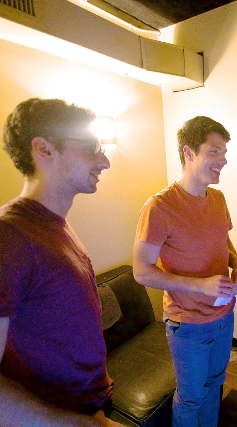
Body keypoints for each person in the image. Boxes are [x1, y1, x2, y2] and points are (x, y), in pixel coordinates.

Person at [0, 98, 123, 426]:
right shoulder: (8, 235)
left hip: (92, 404)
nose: (105, 161)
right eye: (90, 148)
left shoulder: (56, 224)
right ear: (43, 148)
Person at [133, 116, 237, 427]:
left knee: (215, 384)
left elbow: (223, 240)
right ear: (188, 152)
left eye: (224, 152)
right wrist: (200, 286)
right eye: (214, 151)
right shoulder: (159, 207)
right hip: (188, 325)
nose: (224, 160)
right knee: (191, 397)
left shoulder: (218, 198)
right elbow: (141, 272)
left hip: (223, 315)